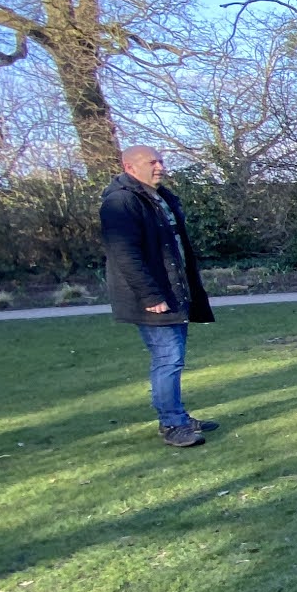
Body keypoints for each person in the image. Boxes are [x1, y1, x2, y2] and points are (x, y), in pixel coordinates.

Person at [99, 145, 216, 447]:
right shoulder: (121, 202)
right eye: (152, 162)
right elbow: (125, 254)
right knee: (168, 359)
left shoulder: (160, 198)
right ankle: (172, 424)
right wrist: (150, 295)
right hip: (152, 299)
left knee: (173, 359)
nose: (160, 167)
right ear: (129, 167)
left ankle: (177, 415)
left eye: (161, 161)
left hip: (175, 293)